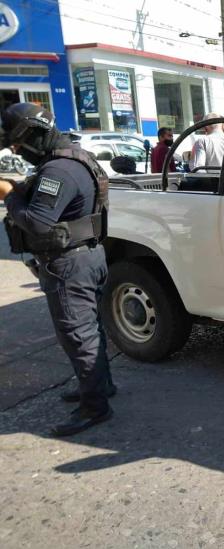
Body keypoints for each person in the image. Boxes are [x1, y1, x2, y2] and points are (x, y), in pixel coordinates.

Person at [0, 103, 115, 436]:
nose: (17, 152)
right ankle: (100, 386)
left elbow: (37, 221)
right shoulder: (75, 156)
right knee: (90, 328)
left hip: (70, 264)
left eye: (18, 145)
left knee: (78, 335)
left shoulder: (57, 171)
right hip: (88, 256)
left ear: (33, 135)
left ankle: (95, 407)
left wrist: (10, 196)